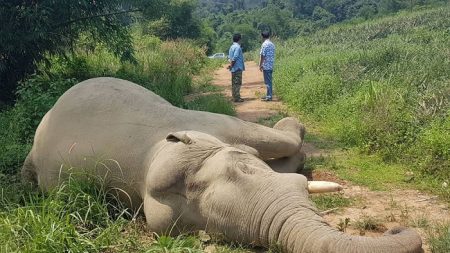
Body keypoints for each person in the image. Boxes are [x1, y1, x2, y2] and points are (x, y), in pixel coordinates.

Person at [227, 33, 245, 102]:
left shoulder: (231, 47)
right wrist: (231, 65)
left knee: (234, 83)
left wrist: (230, 65)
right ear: (239, 39)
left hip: (233, 68)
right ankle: (237, 98)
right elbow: (235, 57)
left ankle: (234, 97)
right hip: (237, 67)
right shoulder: (238, 47)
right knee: (237, 83)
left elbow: (229, 57)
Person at [259, 31, 275, 101]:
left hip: (266, 65)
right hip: (271, 65)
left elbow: (262, 55)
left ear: (262, 37)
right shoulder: (272, 44)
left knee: (268, 82)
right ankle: (268, 95)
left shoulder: (264, 44)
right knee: (269, 81)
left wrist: (260, 65)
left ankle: (269, 96)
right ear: (269, 36)